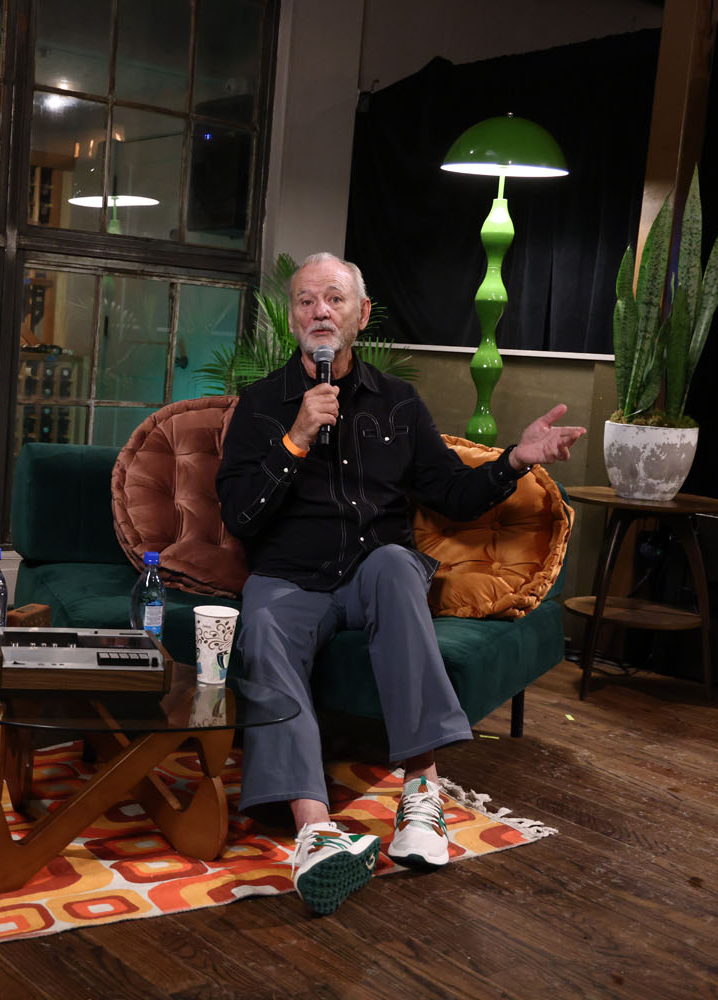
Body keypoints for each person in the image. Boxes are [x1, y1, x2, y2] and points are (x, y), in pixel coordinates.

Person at [216, 252, 584, 914]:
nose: (319, 311)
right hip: (290, 580)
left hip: (371, 573)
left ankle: (421, 795)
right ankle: (314, 831)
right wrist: (295, 439)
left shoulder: (399, 403)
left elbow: (452, 494)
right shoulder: (262, 406)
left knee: (393, 565)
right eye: (306, 300)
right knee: (263, 620)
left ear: (361, 315)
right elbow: (241, 517)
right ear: (293, 318)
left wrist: (515, 460)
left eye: (334, 299)